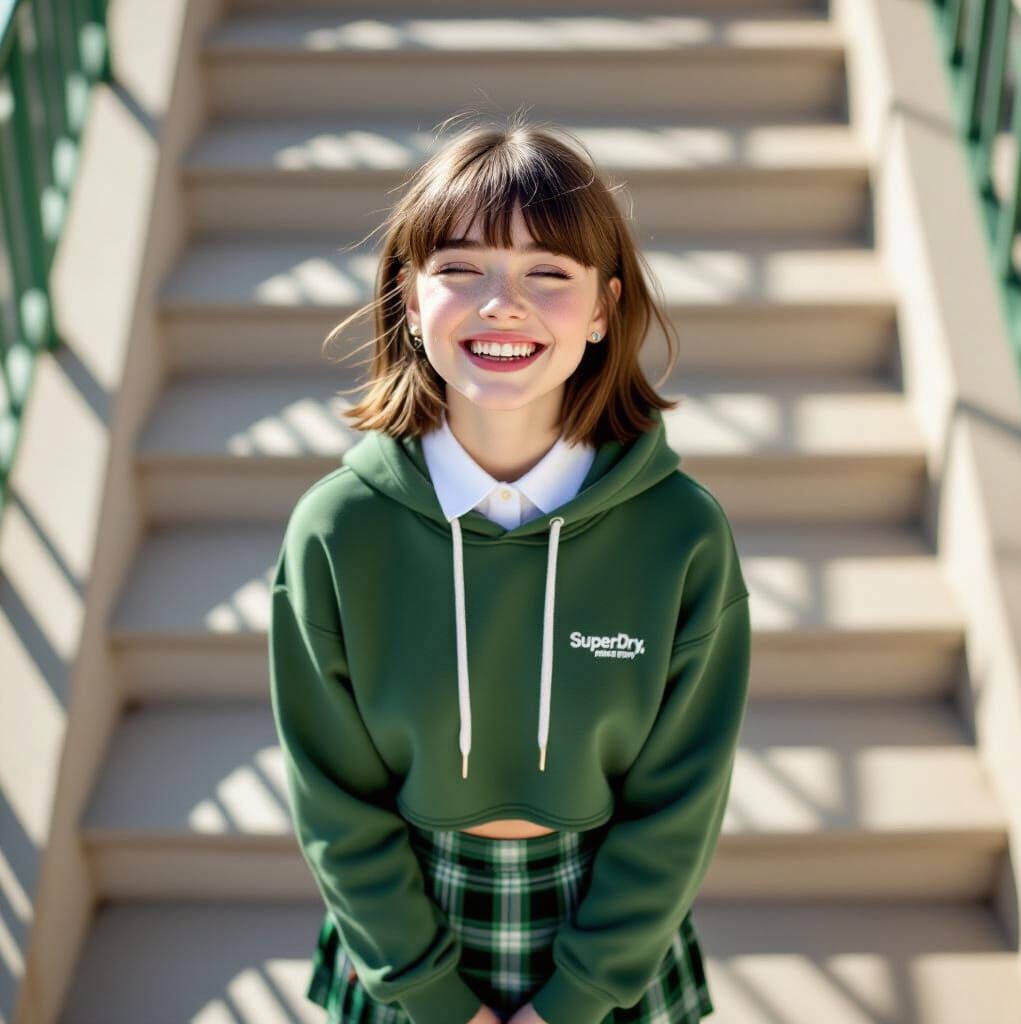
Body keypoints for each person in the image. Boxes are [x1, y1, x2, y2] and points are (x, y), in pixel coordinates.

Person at [268, 111, 752, 1024]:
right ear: (409, 300)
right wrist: (433, 996)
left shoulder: (682, 535)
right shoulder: (336, 532)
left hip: (610, 937)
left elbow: (680, 802)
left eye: (547, 273)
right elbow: (335, 803)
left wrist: (576, 998)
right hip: (406, 937)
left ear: (605, 308)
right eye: (460, 269)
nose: (503, 303)